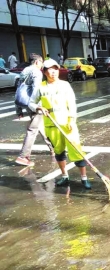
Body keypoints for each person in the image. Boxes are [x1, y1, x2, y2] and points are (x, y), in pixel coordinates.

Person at [28, 59, 91, 189]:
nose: (53, 72)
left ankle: (84, 178)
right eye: (50, 69)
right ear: (44, 72)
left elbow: (72, 104)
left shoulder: (65, 85)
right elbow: (31, 102)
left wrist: (71, 120)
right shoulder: (41, 87)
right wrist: (38, 108)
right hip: (51, 124)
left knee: (76, 149)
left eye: (55, 69)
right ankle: (65, 177)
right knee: (59, 152)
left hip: (67, 123)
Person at [15, 54, 54, 167]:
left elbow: (18, 90)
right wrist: (39, 106)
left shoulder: (24, 71)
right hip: (34, 104)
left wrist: (18, 110)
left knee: (39, 126)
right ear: (37, 62)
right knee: (32, 129)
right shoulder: (36, 72)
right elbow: (37, 90)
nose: (42, 65)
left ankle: (52, 148)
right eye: (41, 63)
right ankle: (23, 156)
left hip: (27, 104)